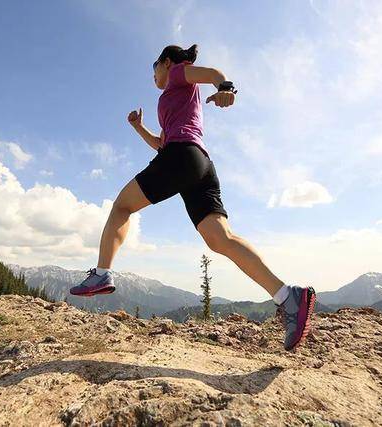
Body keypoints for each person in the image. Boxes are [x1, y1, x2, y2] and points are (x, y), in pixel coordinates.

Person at [70, 44, 316, 351]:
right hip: (199, 163)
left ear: (168, 61)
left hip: (182, 157)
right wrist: (138, 127)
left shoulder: (176, 73)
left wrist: (226, 88)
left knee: (122, 206)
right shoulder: (175, 97)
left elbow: (214, 74)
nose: (154, 74)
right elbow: (162, 143)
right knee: (220, 238)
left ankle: (102, 274)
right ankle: (288, 297)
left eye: (154, 66)